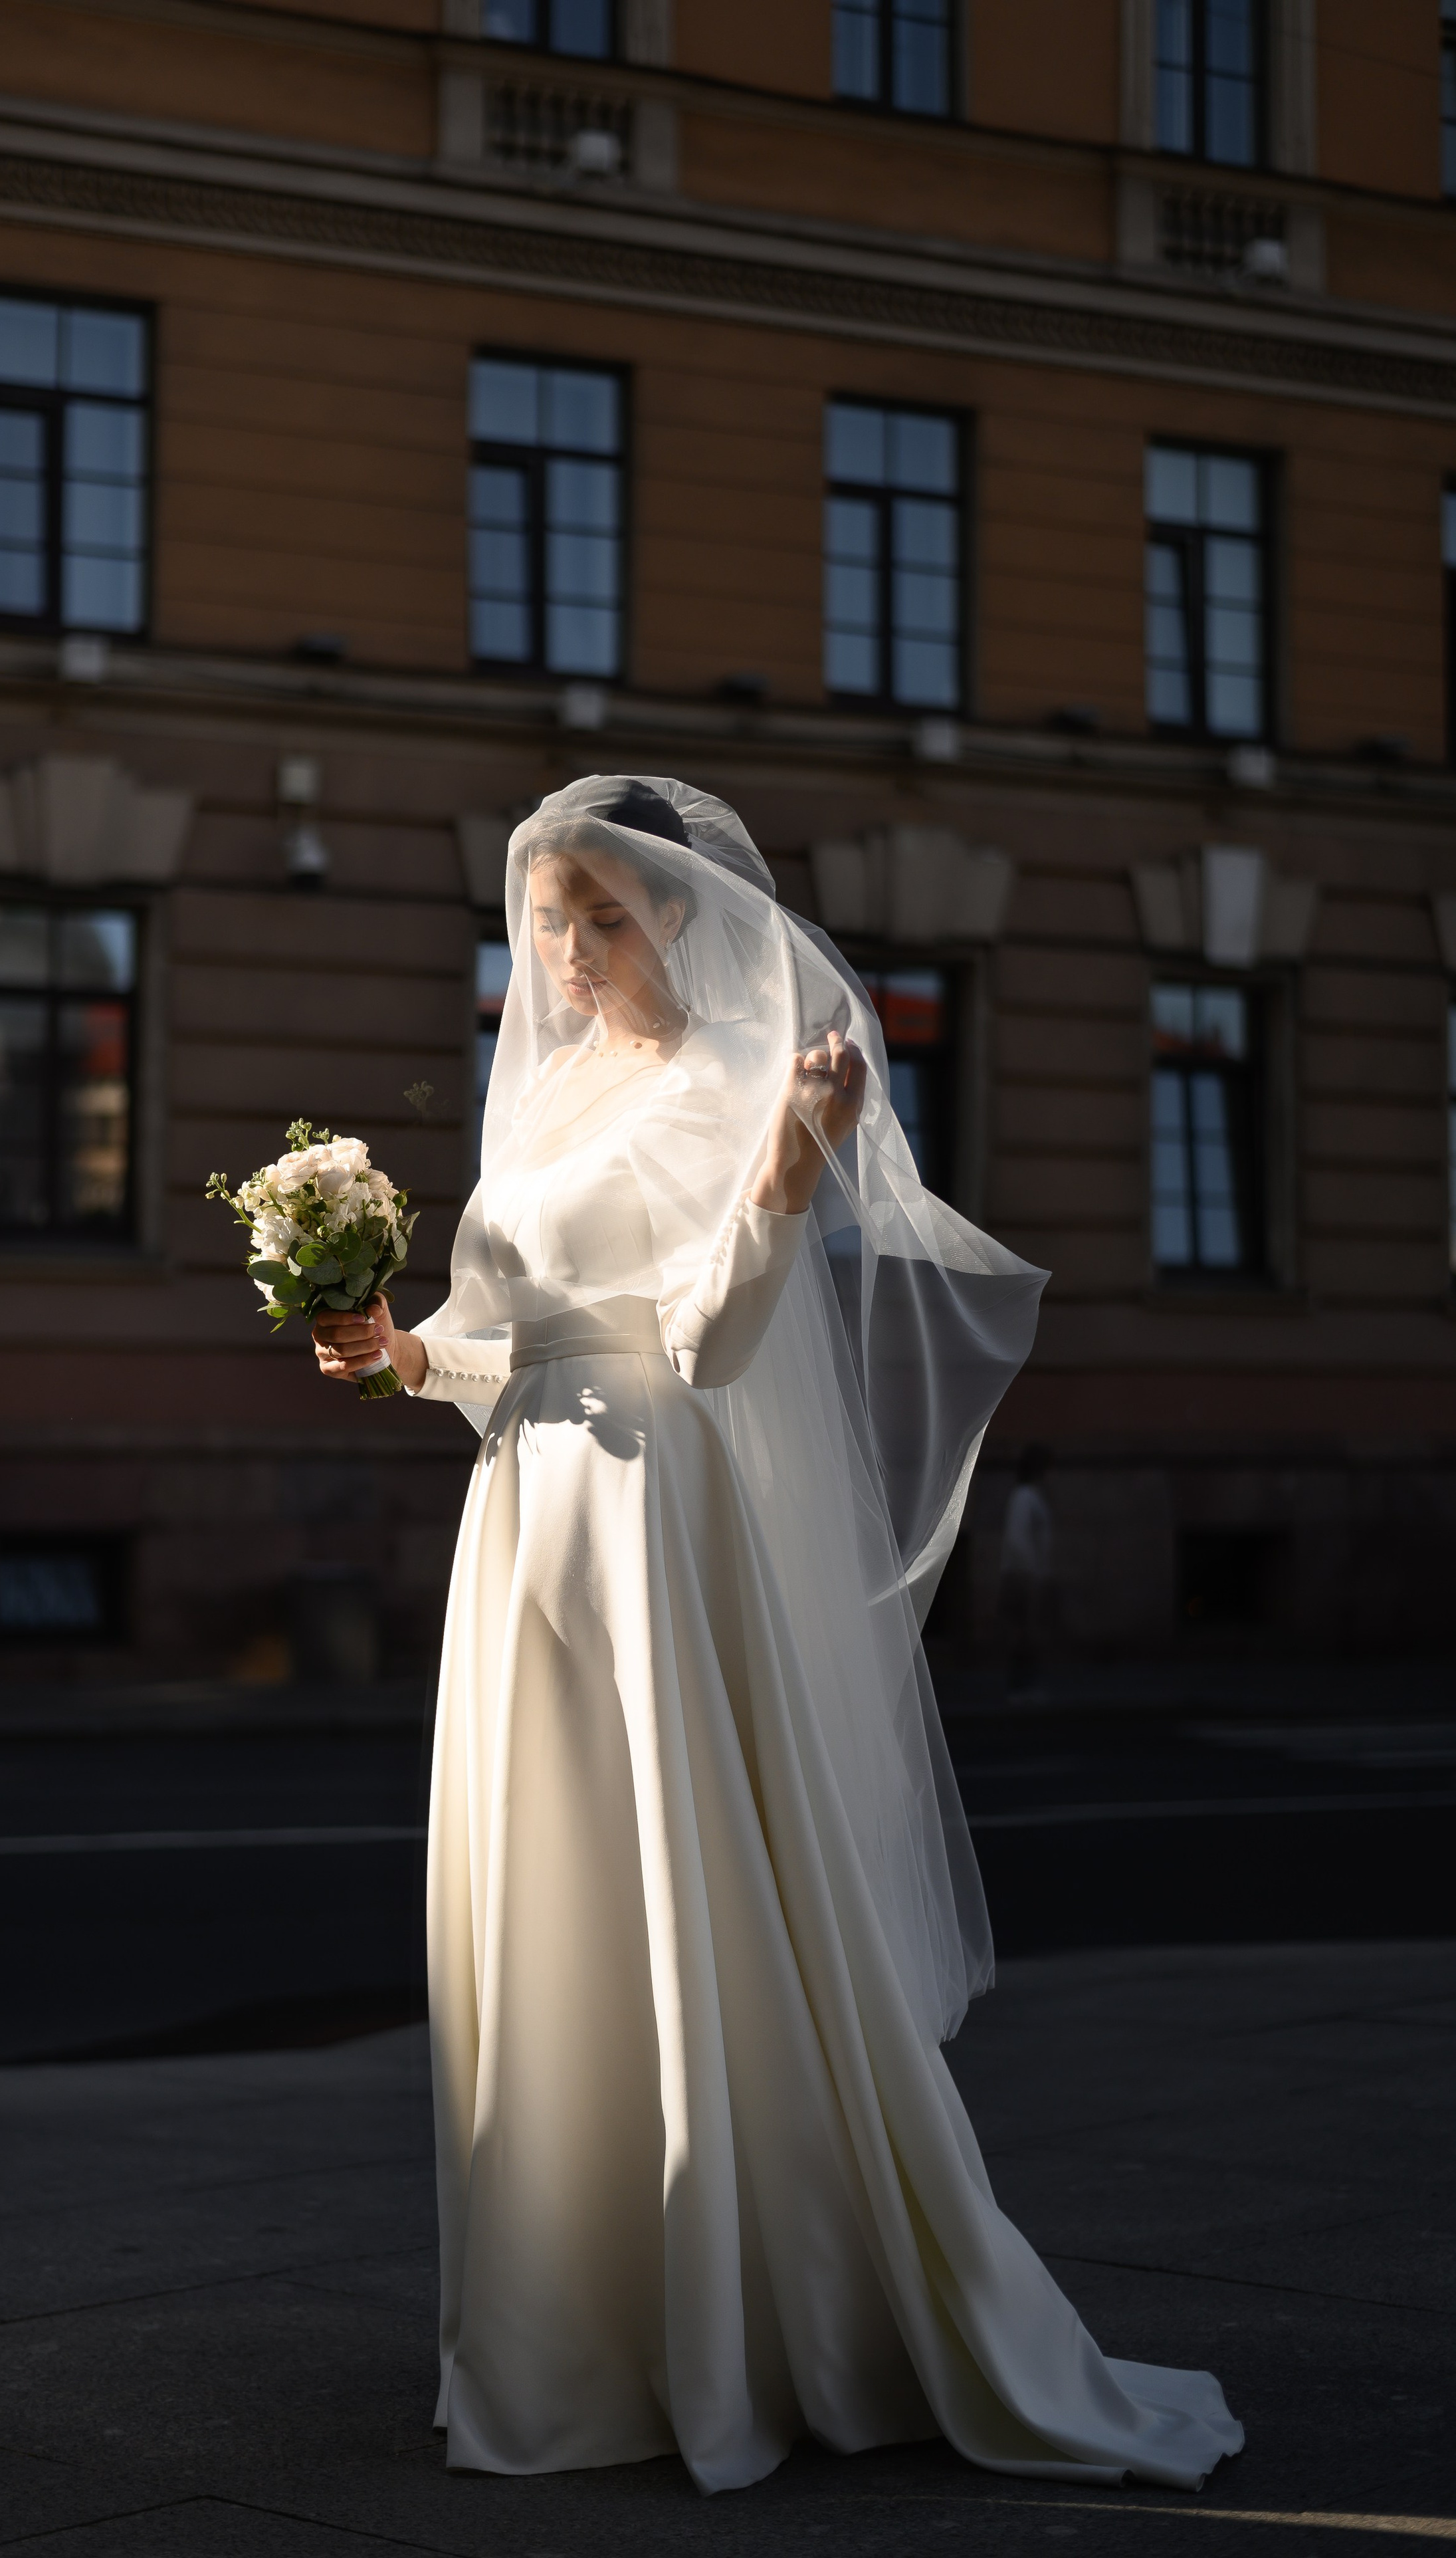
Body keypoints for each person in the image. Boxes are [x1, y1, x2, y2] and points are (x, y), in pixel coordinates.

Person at [311, 777, 1242, 2498]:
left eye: (603, 913)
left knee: (686, 1894)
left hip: (657, 1527)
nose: (569, 949)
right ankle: (567, 2337)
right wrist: (400, 1352)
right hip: (522, 1528)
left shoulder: (732, 1089)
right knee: (548, 1913)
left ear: (677, 912)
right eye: (551, 918)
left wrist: (789, 1173)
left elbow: (708, 1344)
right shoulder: (545, 1096)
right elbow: (507, 1336)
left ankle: (746, 2325)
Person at [999, 1442, 1055, 1699]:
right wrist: (1032, 1574)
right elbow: (1018, 1538)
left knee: (1027, 1630)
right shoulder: (1024, 1497)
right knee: (1023, 1631)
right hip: (1023, 1575)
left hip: (1028, 1574)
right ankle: (1021, 1687)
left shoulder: (1031, 1497)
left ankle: (1024, 1685)